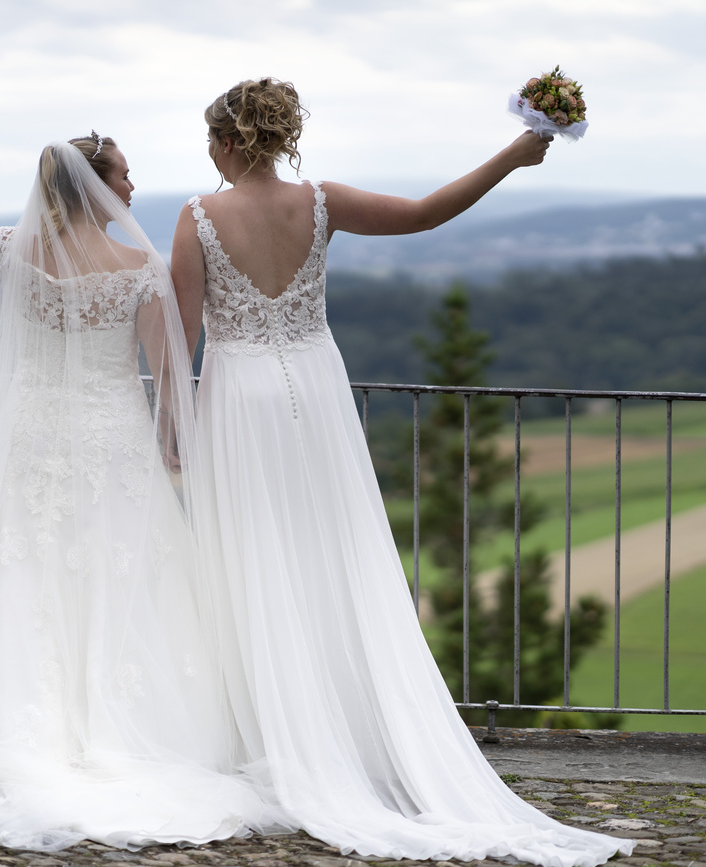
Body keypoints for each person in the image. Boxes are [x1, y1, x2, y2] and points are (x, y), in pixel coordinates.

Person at [170, 78, 633, 865]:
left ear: (232, 140)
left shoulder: (197, 218)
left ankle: (274, 734)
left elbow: (181, 343)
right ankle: (346, 733)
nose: (207, 152)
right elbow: (424, 214)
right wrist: (514, 157)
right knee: (331, 559)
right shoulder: (322, 201)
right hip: (315, 392)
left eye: (211, 139)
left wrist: (169, 433)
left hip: (239, 397)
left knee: (250, 561)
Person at [0, 137, 274, 852]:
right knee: (126, 573)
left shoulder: (16, 251)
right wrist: (176, 434)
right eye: (124, 172)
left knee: (30, 572)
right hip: (113, 439)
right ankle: (136, 727)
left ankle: (25, 723)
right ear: (95, 186)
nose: (133, 183)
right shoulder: (140, 268)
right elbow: (167, 366)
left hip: (37, 443)